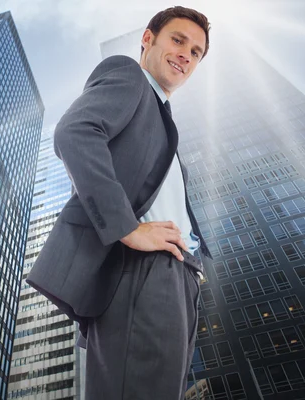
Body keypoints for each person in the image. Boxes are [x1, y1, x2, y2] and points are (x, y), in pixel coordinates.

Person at [26, 6, 212, 400]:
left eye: (195, 52)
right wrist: (126, 228)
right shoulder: (129, 76)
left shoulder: (164, 122)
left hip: (178, 279)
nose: (186, 54)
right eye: (178, 40)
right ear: (148, 39)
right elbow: (75, 132)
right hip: (143, 272)